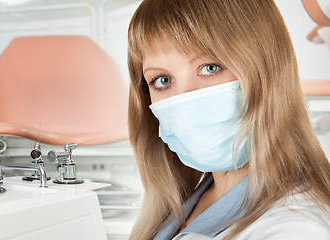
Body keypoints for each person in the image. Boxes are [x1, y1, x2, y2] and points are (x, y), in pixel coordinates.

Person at [126, 0, 330, 239]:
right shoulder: (190, 201)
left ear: (266, 66)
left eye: (210, 67)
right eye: (162, 80)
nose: (184, 99)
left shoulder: (296, 228)